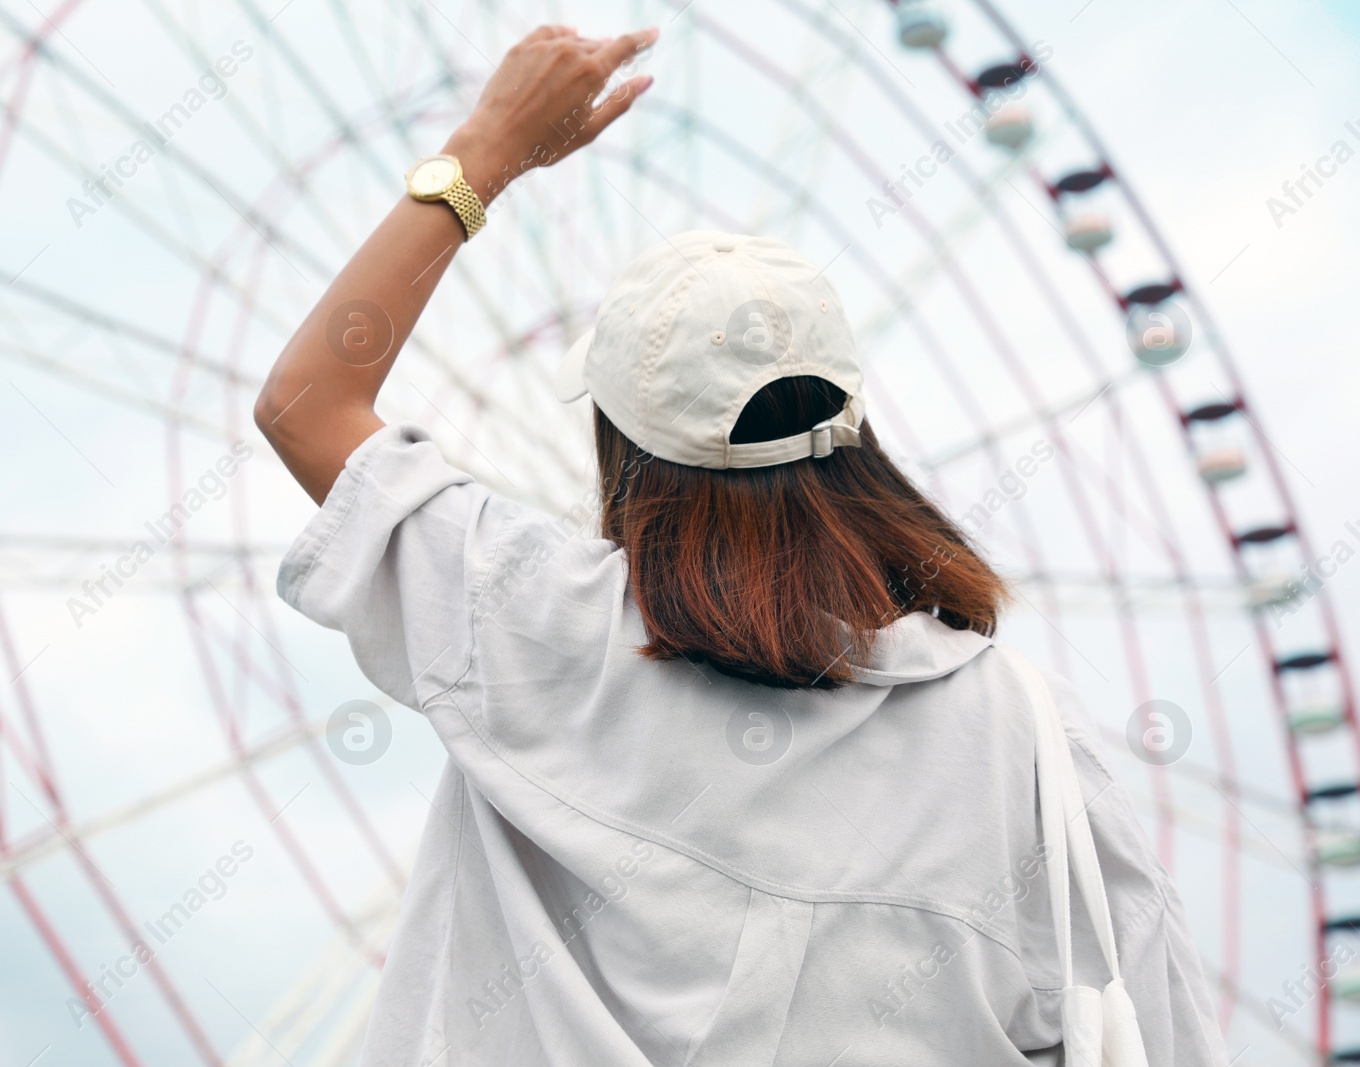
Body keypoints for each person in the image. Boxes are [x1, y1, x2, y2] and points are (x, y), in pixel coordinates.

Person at [254, 24, 1228, 1067]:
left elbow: (306, 405)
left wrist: (484, 152)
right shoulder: (1030, 745)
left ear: (619, 440)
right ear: (854, 421)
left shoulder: (544, 628)